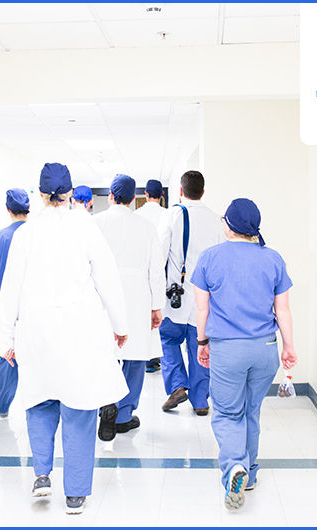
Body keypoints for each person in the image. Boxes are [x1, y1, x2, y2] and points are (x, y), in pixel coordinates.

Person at [0, 163, 130, 515]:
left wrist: (4, 338)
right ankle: (75, 494)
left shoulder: (26, 233)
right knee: (79, 409)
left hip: (37, 333)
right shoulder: (85, 227)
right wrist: (120, 325)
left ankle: (42, 475)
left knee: (40, 402)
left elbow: (10, 289)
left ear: (40, 195)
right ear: (70, 193)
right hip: (79, 332)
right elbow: (108, 279)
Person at [191, 198, 297, 511]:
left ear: (229, 225)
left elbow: (202, 309)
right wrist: (289, 347)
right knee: (251, 411)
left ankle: (234, 467)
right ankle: (248, 473)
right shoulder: (273, 258)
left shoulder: (210, 258)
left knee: (227, 413)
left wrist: (201, 342)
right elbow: (283, 310)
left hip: (228, 350)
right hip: (265, 349)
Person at [94, 174, 165, 437]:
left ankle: (105, 404)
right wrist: (156, 306)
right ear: (134, 198)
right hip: (138, 297)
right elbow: (156, 271)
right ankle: (123, 415)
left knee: (105, 353)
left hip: (103, 296)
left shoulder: (96, 223)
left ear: (111, 197)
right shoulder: (146, 227)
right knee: (135, 357)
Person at [158, 170, 224, 415]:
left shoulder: (172, 215)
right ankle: (200, 401)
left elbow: (160, 255)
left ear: (180, 191)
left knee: (167, 339)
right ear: (203, 192)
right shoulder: (217, 220)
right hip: (205, 299)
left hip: (176, 296)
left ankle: (177, 385)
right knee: (201, 346)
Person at [0, 188, 29, 418]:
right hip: (32, 304)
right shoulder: (37, 235)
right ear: (29, 208)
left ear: (7, 209)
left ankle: (2, 405)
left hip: (5, 306)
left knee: (8, 354)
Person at [136, 178, 166, 373]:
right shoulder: (168, 215)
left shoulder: (137, 216)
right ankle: (157, 357)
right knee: (160, 314)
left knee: (142, 316)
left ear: (146, 194)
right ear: (162, 195)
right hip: (161, 271)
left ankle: (146, 359)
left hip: (140, 272)